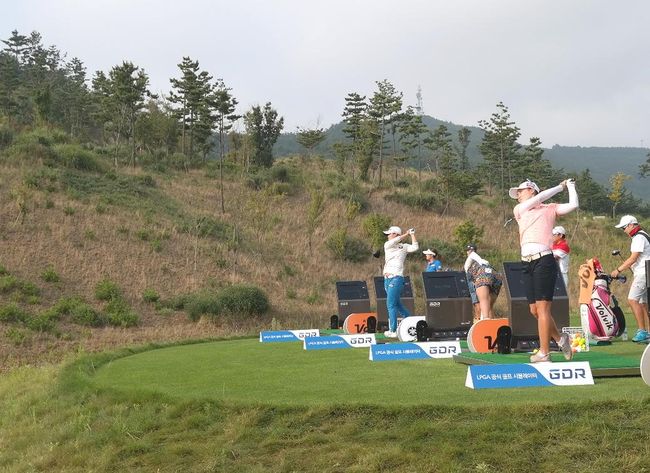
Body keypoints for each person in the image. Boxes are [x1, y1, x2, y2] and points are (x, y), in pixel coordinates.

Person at [510, 178, 578, 362]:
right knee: (534, 310)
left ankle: (544, 353)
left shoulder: (550, 208)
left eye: (521, 191)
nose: (518, 195)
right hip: (526, 262)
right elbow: (540, 198)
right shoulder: (519, 209)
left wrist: (570, 186)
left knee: (543, 309)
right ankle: (560, 339)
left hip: (544, 260)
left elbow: (573, 204)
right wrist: (560, 187)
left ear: (531, 190)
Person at [611, 215, 650, 344]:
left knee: (632, 299)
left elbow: (633, 258)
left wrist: (618, 270)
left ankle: (642, 331)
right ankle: (648, 332)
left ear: (631, 225)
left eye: (624, 228)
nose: (624, 231)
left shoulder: (638, 237)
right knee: (644, 303)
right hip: (645, 272)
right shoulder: (642, 235)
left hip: (643, 273)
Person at [382, 225, 418, 338]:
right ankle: (410, 322)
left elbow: (415, 247)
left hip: (396, 278)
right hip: (387, 279)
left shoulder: (404, 246)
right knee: (397, 304)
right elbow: (395, 241)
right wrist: (406, 234)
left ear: (395, 234)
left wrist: (412, 234)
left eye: (389, 234)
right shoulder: (387, 245)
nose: (388, 236)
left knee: (390, 305)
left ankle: (393, 330)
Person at [463, 244, 502, 320]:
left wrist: (481, 261)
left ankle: (484, 321)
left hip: (483, 275)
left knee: (482, 302)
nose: (468, 252)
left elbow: (472, 255)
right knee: (489, 305)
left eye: (469, 250)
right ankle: (491, 324)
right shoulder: (479, 262)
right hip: (495, 275)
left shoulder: (470, 260)